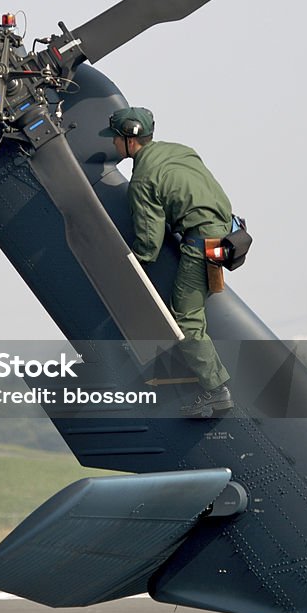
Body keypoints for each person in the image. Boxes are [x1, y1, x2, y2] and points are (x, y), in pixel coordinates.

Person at [100, 107, 234, 418]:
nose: (113, 145)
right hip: (227, 231)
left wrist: (131, 267)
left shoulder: (144, 178)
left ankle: (216, 391)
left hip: (201, 241)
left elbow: (149, 240)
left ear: (130, 140)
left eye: (116, 139)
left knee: (186, 319)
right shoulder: (181, 151)